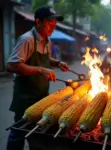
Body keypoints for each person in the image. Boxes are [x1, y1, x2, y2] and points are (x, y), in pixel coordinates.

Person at [6, 6, 69, 150]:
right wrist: (40, 70)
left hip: (41, 97)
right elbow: (11, 65)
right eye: (49, 21)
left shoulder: (47, 41)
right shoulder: (26, 40)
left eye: (55, 21)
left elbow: (46, 58)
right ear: (38, 21)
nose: (53, 24)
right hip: (25, 97)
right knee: (18, 133)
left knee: (37, 134)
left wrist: (57, 62)